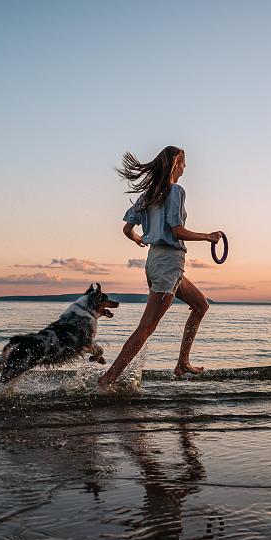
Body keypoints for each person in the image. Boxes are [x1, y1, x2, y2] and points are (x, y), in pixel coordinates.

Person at [97, 146, 223, 386]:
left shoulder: (149, 194)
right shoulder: (176, 191)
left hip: (155, 262)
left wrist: (138, 238)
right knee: (146, 327)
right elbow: (177, 231)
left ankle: (182, 362)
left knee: (200, 305)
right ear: (176, 163)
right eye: (184, 164)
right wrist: (208, 237)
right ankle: (107, 379)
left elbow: (126, 228)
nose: (186, 169)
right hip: (168, 263)